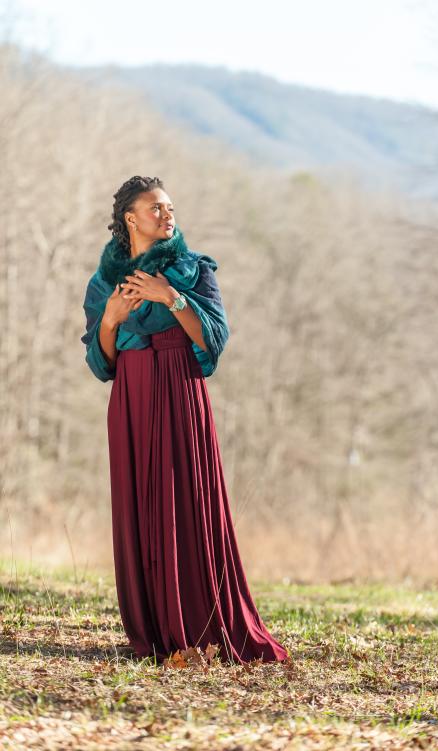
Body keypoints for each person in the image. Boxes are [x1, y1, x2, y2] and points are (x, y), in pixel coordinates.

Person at [81, 175, 289, 665]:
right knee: (139, 502)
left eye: (170, 207)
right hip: (131, 395)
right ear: (130, 218)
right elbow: (100, 362)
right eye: (156, 208)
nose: (167, 214)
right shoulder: (104, 280)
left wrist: (168, 296)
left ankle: (200, 621)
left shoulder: (193, 269)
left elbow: (215, 337)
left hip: (178, 390)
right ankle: (152, 626)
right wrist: (110, 318)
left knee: (185, 498)